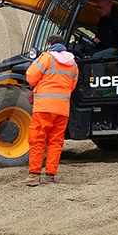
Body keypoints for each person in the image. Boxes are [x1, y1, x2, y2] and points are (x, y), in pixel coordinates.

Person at [24, 35, 78, 186]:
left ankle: (34, 175)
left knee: (37, 140)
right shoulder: (72, 62)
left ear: (49, 44)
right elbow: (72, 85)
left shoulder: (46, 57)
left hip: (44, 107)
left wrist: (36, 89)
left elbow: (31, 75)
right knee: (56, 142)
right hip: (62, 108)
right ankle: (50, 176)